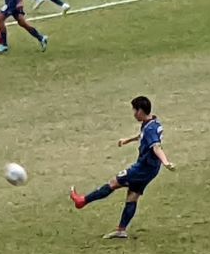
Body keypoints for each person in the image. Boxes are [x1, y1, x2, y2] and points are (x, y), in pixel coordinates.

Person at [69, 96, 176, 239]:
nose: (133, 114)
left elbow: (156, 147)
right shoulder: (152, 122)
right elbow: (143, 135)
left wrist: (166, 161)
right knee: (132, 196)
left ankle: (82, 201)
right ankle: (121, 230)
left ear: (140, 111)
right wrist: (128, 140)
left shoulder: (150, 129)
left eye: (134, 110)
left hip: (142, 168)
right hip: (151, 169)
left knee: (114, 183)